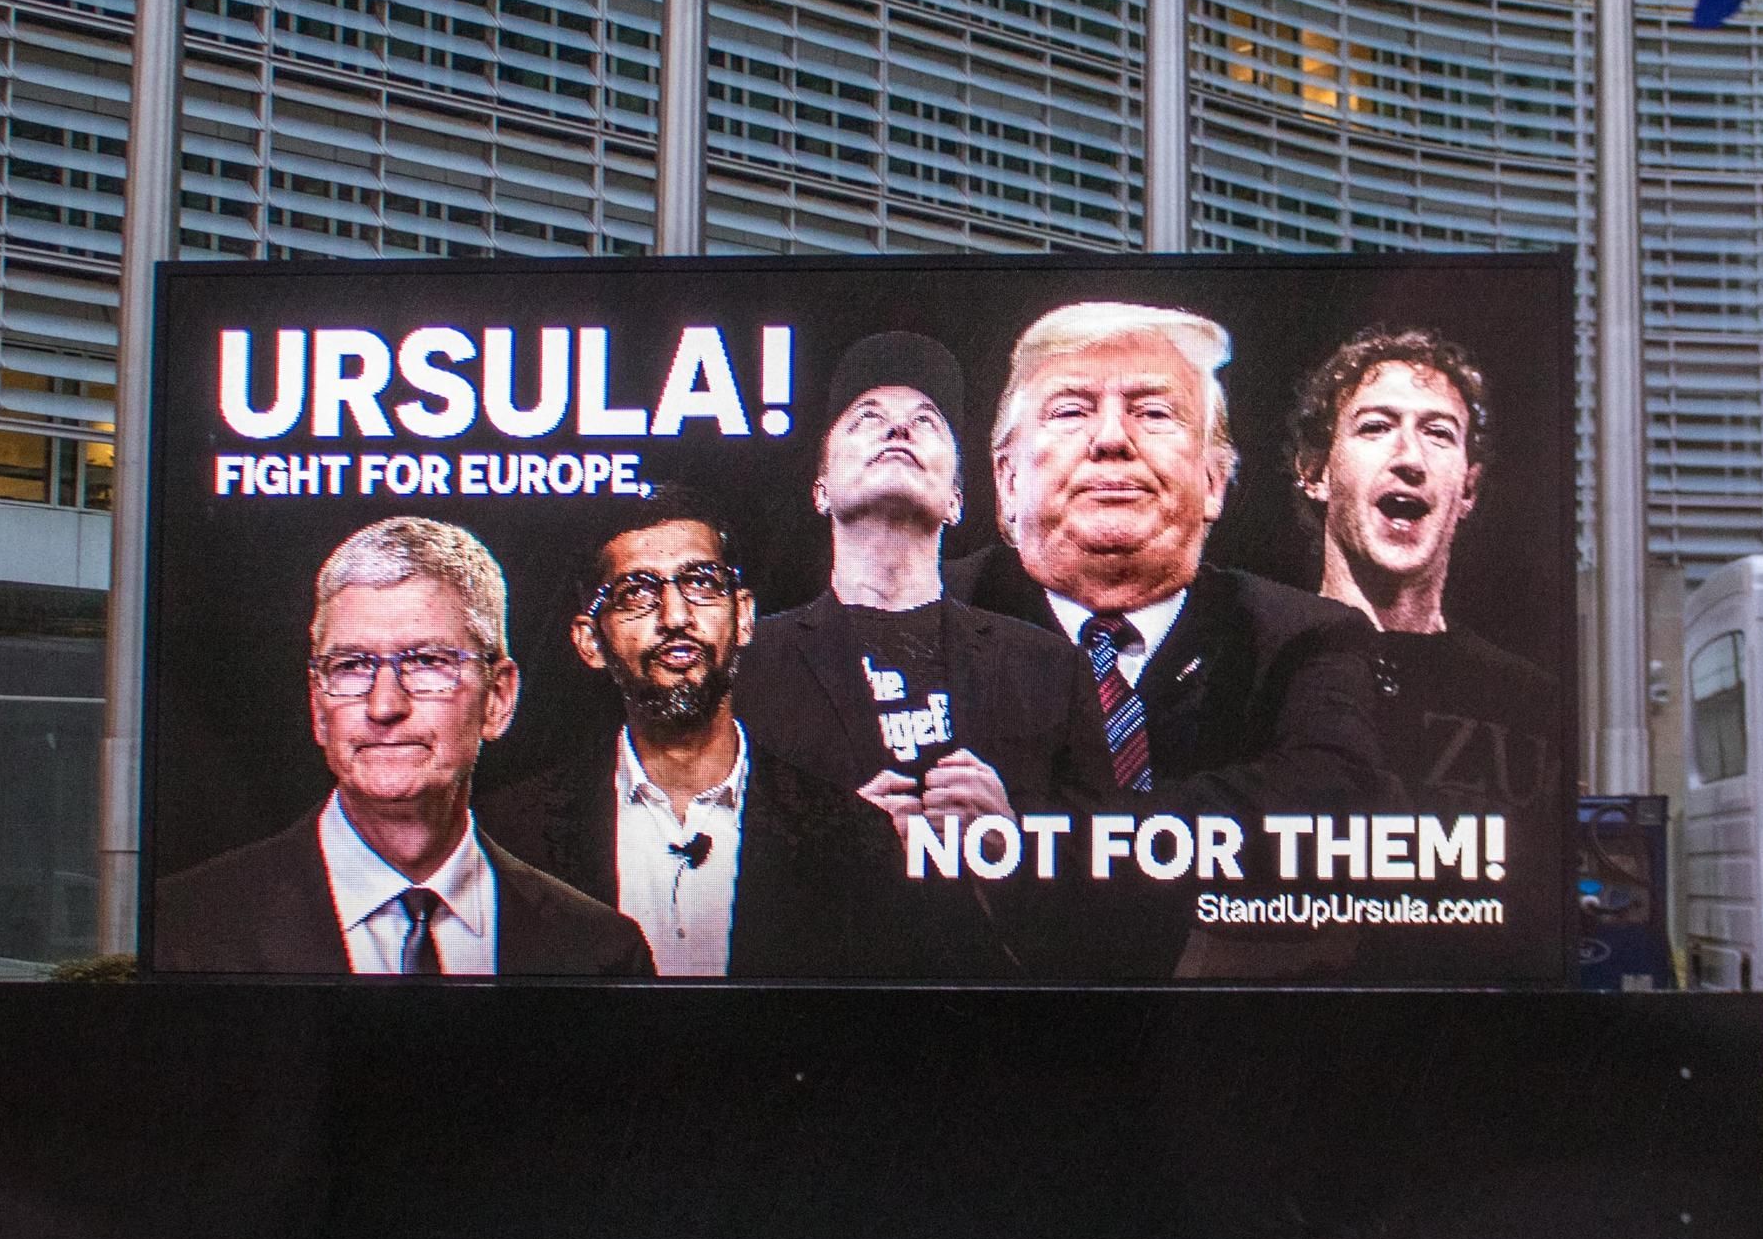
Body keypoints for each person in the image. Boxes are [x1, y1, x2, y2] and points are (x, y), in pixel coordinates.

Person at [948, 299, 1388, 979]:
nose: (1111, 439)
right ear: (1006, 480)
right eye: (1070, 410)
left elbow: (1327, 805)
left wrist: (1019, 832)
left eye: (1153, 412)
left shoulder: (1307, 638)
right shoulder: (928, 618)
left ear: (1213, 481)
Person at [154, 517, 650, 978]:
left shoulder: (598, 951)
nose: (384, 705)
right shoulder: (182, 930)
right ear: (317, 705)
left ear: (498, 698)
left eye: (428, 662)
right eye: (350, 667)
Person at [475, 492, 909, 977]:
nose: (676, 616)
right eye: (636, 593)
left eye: (702, 583)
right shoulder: (506, 834)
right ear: (590, 641)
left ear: (743, 617)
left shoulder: (852, 840)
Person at [741, 330, 1116, 840]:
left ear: (957, 500)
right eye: (867, 418)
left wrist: (1010, 843)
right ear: (821, 489)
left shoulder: (1050, 668)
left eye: (926, 421)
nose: (898, 428)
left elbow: (1106, 880)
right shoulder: (751, 663)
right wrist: (836, 843)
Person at [1288, 325, 1571, 978]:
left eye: (1438, 432)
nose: (1408, 456)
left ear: (1466, 489)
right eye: (1375, 426)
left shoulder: (1528, 699)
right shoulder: (1249, 671)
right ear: (1314, 472)